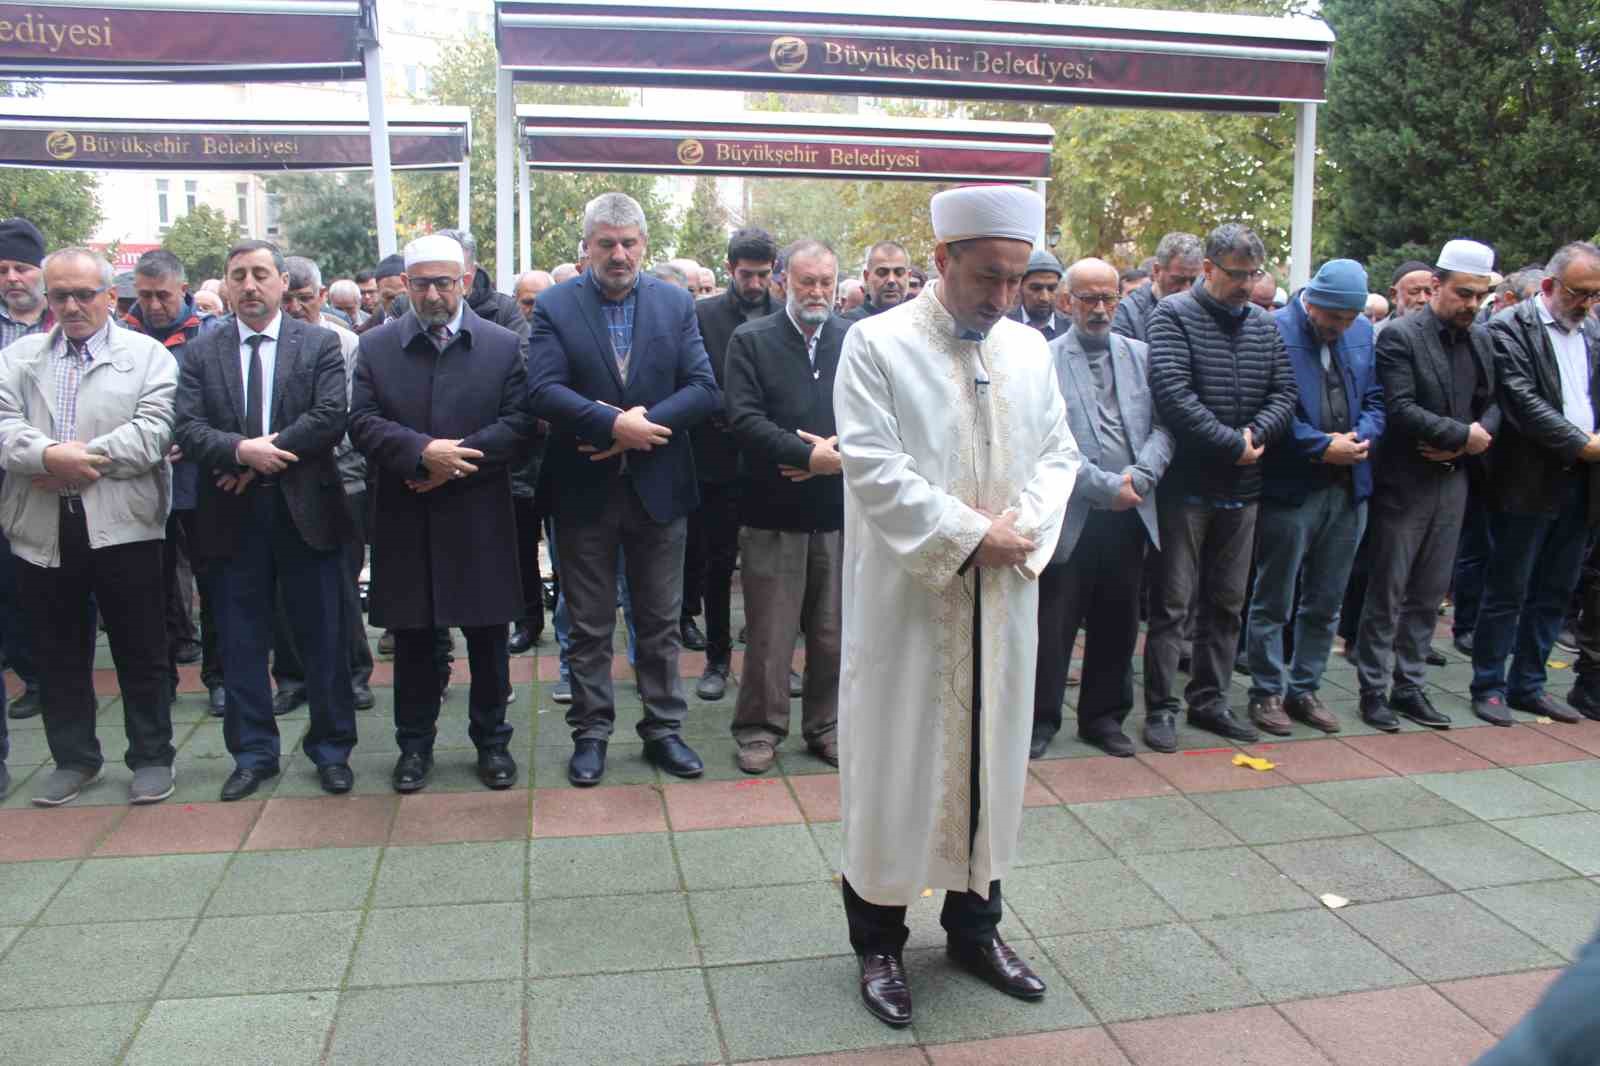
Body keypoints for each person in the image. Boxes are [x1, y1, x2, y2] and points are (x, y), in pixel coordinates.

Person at [834, 185, 1079, 1029]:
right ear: (941, 261)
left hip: (1002, 599)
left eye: (1017, 279)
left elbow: (1059, 452)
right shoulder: (875, 344)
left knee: (991, 758)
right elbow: (873, 467)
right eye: (987, 278)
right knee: (896, 763)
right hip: (910, 597)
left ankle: (976, 929)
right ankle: (878, 942)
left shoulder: (1029, 351)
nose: (1004, 298)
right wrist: (974, 534)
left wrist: (1027, 529)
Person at [528, 192, 720, 787]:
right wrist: (611, 424)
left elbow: (703, 388)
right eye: (606, 243)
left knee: (658, 621)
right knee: (587, 624)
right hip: (583, 491)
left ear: (643, 244)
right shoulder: (556, 306)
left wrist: (640, 428)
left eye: (629, 242)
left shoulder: (674, 303)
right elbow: (541, 389)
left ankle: (664, 729)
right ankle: (591, 733)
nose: (619, 254)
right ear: (585, 247)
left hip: (658, 490)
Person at [174, 240, 357, 801]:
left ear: (282, 281)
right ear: (225, 285)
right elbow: (187, 426)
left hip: (307, 512)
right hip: (230, 519)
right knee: (240, 640)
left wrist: (257, 456)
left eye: (260, 274)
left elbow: (329, 418)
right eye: (238, 276)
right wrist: (238, 451)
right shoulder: (202, 352)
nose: (249, 285)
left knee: (323, 639)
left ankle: (331, 751)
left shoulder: (320, 343)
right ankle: (253, 754)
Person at [350, 235, 532, 792]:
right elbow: (362, 422)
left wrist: (453, 461)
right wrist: (419, 453)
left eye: (444, 282)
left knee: (487, 639)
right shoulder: (376, 347)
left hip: (479, 512)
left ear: (467, 281)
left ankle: (492, 743)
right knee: (412, 643)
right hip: (407, 513)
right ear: (405, 286)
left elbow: (522, 423)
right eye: (422, 283)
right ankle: (414, 747)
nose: (433, 294)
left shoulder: (502, 345)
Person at [0, 248, 178, 807]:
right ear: (47, 298)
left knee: (141, 646)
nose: (72, 306)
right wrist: (48, 456)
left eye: (83, 294)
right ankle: (74, 758)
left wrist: (77, 461)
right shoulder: (19, 358)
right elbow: (3, 425)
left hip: (125, 523)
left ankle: (151, 757)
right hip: (42, 526)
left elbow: (154, 431)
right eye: (60, 296)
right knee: (57, 650)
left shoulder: (148, 356)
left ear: (110, 295)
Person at [1143, 223, 1298, 751]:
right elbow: (1171, 394)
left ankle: (1210, 700)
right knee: (1173, 606)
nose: (1248, 285)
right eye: (1237, 274)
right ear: (1208, 269)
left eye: (1254, 274)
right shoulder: (1172, 316)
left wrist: (1253, 438)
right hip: (1187, 486)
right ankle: (1161, 707)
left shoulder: (1263, 323)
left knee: (1228, 604)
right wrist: (1230, 442)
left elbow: (1285, 391)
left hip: (1244, 487)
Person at [1354, 240, 1500, 732]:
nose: (1472, 305)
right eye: (1464, 294)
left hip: (1453, 479)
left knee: (1429, 593)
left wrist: (1466, 444)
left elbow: (1495, 404)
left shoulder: (1480, 338)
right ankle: (1374, 690)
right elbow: (1400, 409)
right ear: (1436, 286)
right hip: (1405, 482)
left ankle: (1409, 685)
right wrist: (1463, 435)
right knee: (1388, 592)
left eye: (1480, 296)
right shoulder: (1399, 336)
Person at [1034, 257, 1172, 759]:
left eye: (1108, 298)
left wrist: (1143, 476)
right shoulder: (1043, 359)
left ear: (1120, 300)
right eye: (1088, 298)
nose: (1099, 308)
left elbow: (1164, 425)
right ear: (1067, 301)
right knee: (1053, 625)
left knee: (1118, 623)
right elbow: (1045, 442)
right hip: (1074, 515)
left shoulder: (1142, 354)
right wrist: (1102, 486)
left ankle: (1103, 718)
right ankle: (1039, 720)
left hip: (1132, 510)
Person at [1245, 260, 1384, 736]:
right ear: (1312, 301)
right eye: (1332, 319)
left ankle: (1305, 686)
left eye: (1348, 320)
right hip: (1293, 487)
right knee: (1273, 598)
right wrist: (1322, 446)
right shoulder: (1272, 330)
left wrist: (1362, 438)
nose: (1339, 329)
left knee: (1326, 599)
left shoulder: (1363, 332)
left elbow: (1377, 399)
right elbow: (1268, 407)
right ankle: (1266, 690)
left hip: (1349, 489)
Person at [723, 238, 846, 772]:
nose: (817, 292)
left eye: (826, 283)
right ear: (782, 283)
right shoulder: (751, 340)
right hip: (772, 510)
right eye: (806, 282)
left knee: (833, 630)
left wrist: (836, 459)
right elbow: (743, 420)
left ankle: (829, 725)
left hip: (841, 512)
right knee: (770, 632)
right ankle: (759, 730)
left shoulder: (857, 338)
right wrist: (804, 454)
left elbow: (884, 413)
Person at [1468, 242, 1600, 726]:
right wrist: (1581, 444)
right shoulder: (1509, 328)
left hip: (1582, 483)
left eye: (1595, 295)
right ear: (1549, 286)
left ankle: (1530, 683)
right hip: (1526, 479)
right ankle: (1489, 685)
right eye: (1579, 293)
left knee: (1556, 589)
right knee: (1508, 587)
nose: (1587, 304)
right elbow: (1520, 400)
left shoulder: (1591, 330)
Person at [122, 250, 225, 712]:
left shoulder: (210, 336)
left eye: (162, 295)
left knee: (215, 584)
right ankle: (160, 679)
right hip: (139, 482)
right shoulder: (122, 338)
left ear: (182, 290)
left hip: (202, 482)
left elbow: (222, 402)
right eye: (144, 296)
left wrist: (191, 437)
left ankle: (219, 676)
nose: (154, 304)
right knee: (151, 588)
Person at [280, 256, 376, 712]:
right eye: (288, 298)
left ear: (321, 297)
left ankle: (354, 672)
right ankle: (292, 676)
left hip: (341, 475)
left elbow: (346, 414)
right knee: (282, 584)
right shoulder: (267, 343)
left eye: (304, 298)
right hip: (279, 474)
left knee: (340, 580)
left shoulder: (345, 342)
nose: (296, 307)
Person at [686, 227, 778, 698]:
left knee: (770, 568)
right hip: (716, 462)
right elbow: (693, 379)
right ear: (729, 269)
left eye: (764, 274)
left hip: (768, 464)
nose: (756, 284)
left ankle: (772, 660)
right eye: (747, 275)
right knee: (716, 564)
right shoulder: (702, 316)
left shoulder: (784, 317)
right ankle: (717, 660)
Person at [509, 270, 555, 655]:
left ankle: (570, 622)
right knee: (521, 550)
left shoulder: (565, 338)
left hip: (561, 462)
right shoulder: (507, 344)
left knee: (571, 551)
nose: (535, 311)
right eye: (528, 304)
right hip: (520, 465)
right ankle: (527, 621)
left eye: (542, 303)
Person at [1112, 231, 1202, 343]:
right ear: (1156, 271)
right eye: (1178, 280)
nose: (1187, 289)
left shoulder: (1207, 307)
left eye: (1194, 280)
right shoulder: (1128, 313)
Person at [841, 240, 911, 321]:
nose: (891, 280)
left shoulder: (920, 322)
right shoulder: (848, 323)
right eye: (882, 273)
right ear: (867, 276)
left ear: (909, 276)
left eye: (898, 273)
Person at [1006, 249, 1065, 340]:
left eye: (1051, 289)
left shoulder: (1070, 328)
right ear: (1020, 287)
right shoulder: (1003, 326)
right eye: (1036, 288)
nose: (1044, 298)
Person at [1372, 260, 1435, 337]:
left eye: (1429, 292)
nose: (1423, 299)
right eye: (1414, 292)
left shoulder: (1444, 333)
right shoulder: (1374, 336)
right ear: (1394, 295)